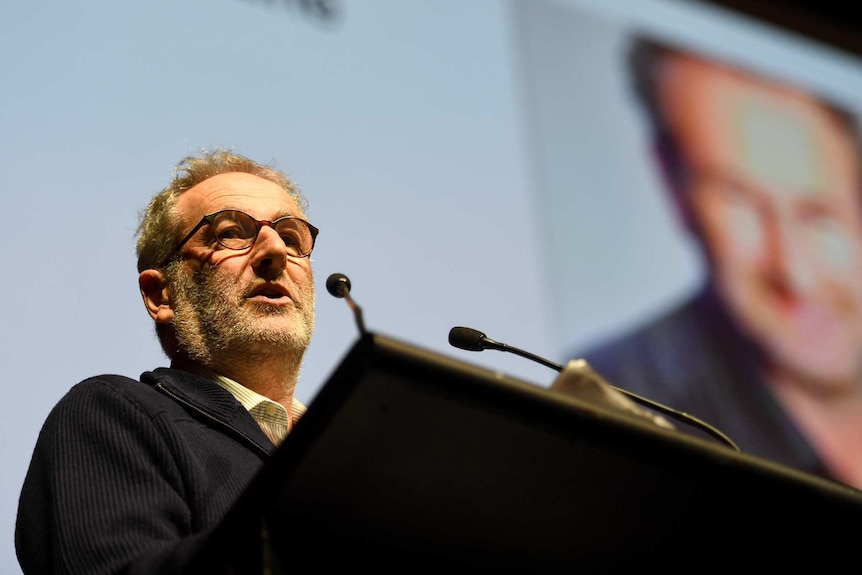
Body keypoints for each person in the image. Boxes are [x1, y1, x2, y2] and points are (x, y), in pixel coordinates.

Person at [572, 36, 862, 490]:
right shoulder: (613, 402)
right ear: (671, 184)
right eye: (739, 201)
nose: (795, 274)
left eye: (819, 215)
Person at [15, 148, 320, 573]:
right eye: (231, 233)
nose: (274, 251)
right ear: (162, 295)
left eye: (291, 238)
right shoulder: (114, 415)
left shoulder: (362, 447)